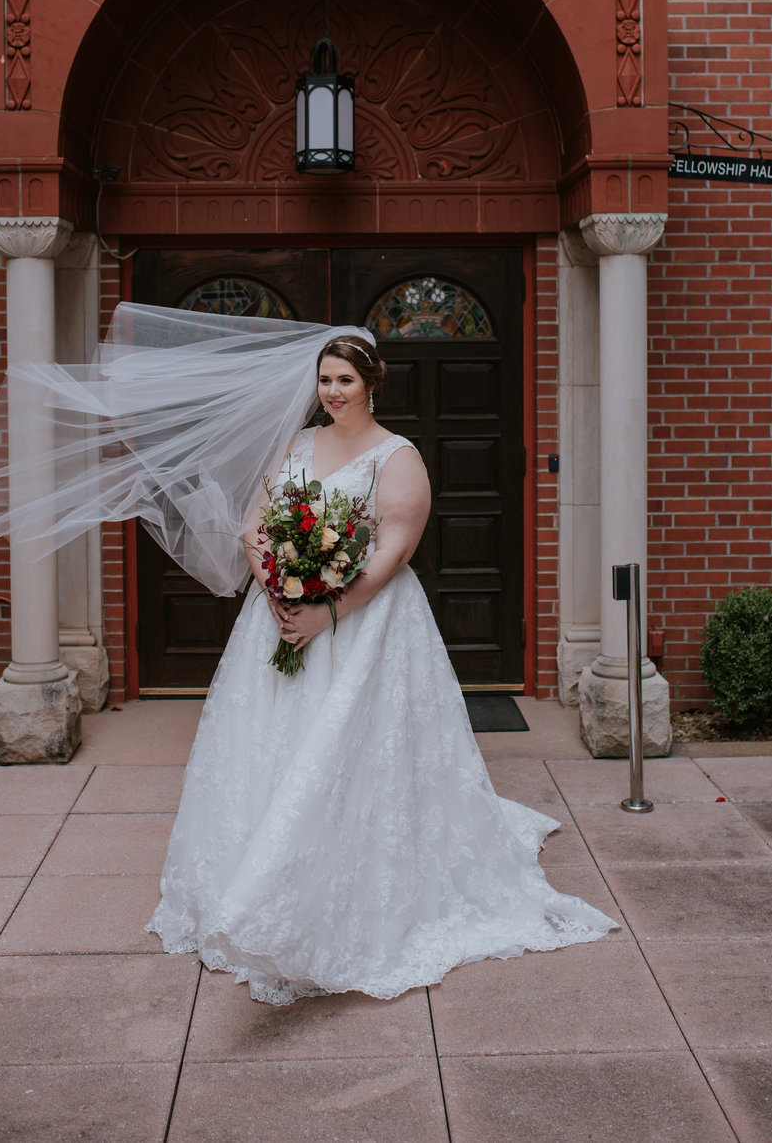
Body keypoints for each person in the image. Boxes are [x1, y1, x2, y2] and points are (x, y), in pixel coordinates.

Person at [145, 329, 618, 1005]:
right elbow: (255, 527)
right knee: (270, 742)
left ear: (371, 383)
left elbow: (393, 548)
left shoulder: (398, 457)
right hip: (280, 617)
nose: (332, 392)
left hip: (365, 626)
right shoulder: (297, 445)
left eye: (344, 380)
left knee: (352, 747)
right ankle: (253, 868)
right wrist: (280, 586)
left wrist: (326, 612)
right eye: (324, 380)